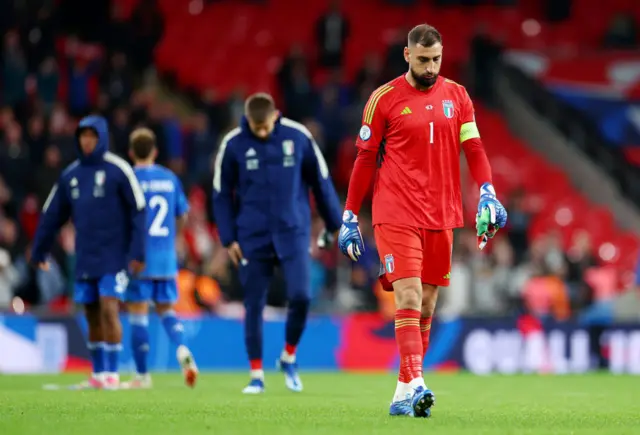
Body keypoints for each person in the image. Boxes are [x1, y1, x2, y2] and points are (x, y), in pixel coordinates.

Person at [337, 24, 507, 418]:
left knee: (427, 307)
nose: (431, 67)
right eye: (424, 59)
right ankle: (417, 384)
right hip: (395, 211)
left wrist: (486, 189)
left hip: (442, 213)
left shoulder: (458, 96)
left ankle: (402, 391)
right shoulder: (384, 99)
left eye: (437, 60)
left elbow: (474, 146)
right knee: (409, 297)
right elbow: (364, 159)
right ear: (408, 55)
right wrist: (349, 214)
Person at [213, 92, 342, 394]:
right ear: (248, 120)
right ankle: (256, 374)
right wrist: (228, 238)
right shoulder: (233, 144)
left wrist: (333, 222)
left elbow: (320, 181)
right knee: (253, 304)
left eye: (265, 126)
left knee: (301, 296)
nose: (261, 132)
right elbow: (221, 194)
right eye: (255, 128)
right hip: (251, 236)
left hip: (292, 231)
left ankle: (289, 355)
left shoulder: (298, 137)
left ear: (275, 116)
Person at [31, 115, 147, 390]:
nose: (87, 141)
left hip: (114, 257)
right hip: (85, 256)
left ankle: (113, 374)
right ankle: (98, 374)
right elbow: (51, 214)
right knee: (92, 314)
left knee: (109, 309)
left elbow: (138, 210)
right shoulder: (70, 174)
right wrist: (40, 250)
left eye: (92, 136)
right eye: (83, 136)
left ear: (103, 138)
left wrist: (138, 253)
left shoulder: (119, 169)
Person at [121, 127, 198, 390]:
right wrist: (171, 239)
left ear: (131, 152)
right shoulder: (169, 178)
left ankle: (142, 376)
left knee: (138, 315)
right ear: (155, 151)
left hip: (139, 258)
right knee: (166, 310)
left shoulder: (128, 178)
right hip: (166, 257)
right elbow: (183, 215)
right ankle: (182, 347)